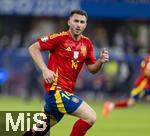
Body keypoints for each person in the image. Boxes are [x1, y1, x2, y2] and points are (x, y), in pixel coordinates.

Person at [23, 9, 109, 136]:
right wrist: (44, 69)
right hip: (56, 92)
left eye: (82, 22)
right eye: (75, 21)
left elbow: (92, 69)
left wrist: (100, 61)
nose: (78, 25)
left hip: (65, 93)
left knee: (38, 131)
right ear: (69, 22)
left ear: (85, 24)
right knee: (90, 117)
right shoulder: (59, 38)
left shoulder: (87, 44)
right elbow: (33, 48)